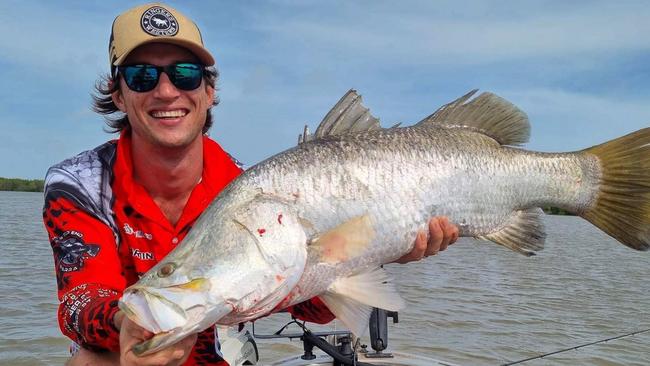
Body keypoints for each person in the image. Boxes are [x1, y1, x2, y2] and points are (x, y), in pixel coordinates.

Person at [42, 3, 459, 366]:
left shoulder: (249, 189)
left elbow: (311, 302)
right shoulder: (80, 183)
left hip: (224, 358)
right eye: (142, 75)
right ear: (118, 94)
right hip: (127, 358)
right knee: (89, 361)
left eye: (185, 74)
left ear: (208, 91)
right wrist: (124, 321)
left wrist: (382, 248)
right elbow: (80, 300)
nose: (166, 91)